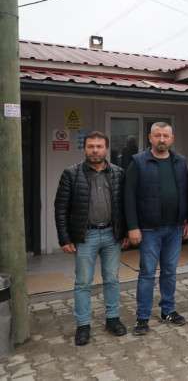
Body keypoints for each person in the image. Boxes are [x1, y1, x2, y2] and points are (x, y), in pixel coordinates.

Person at [54, 131, 127, 346]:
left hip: (112, 235)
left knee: (112, 279)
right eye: (91, 146)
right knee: (83, 282)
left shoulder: (118, 173)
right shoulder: (71, 174)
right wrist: (64, 238)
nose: (95, 150)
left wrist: (124, 232)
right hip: (86, 236)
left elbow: (124, 206)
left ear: (106, 149)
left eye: (99, 146)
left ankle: (112, 319)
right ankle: (83, 325)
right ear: (85, 148)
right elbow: (60, 208)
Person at [125, 122, 188, 336]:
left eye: (165, 135)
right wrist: (132, 227)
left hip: (175, 228)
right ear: (150, 138)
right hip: (149, 230)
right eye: (157, 135)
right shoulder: (138, 162)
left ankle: (168, 311)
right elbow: (128, 196)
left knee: (170, 271)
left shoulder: (180, 162)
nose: (162, 139)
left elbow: (186, 192)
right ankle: (142, 317)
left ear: (172, 138)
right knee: (147, 273)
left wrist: (187, 220)